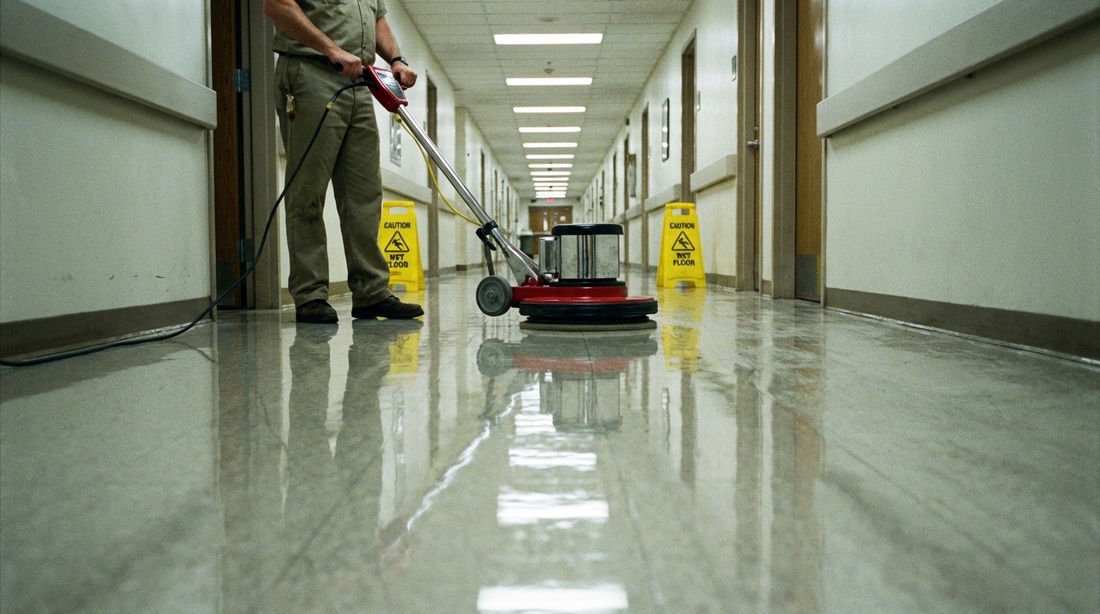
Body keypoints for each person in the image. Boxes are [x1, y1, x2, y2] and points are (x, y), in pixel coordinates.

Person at [264, 0, 424, 323]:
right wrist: (331, 49)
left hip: (360, 82)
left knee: (365, 194)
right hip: (311, 71)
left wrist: (395, 59)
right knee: (307, 190)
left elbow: (377, 19)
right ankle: (310, 294)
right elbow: (276, 5)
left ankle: (371, 291)